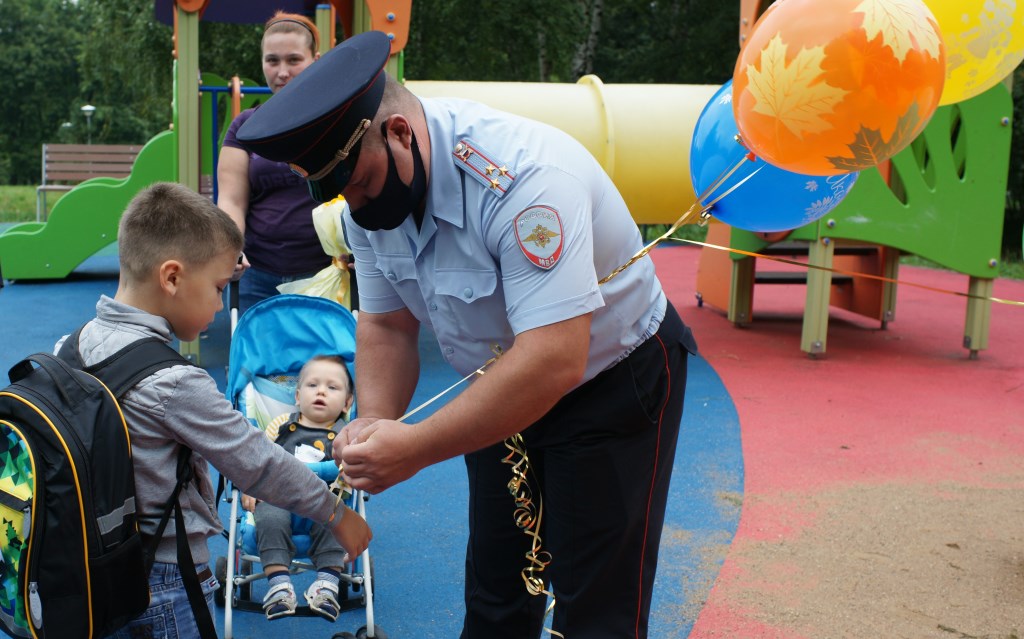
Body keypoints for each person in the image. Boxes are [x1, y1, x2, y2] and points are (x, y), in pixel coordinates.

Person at [235, 31, 698, 639]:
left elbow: (555, 359)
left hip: (608, 381)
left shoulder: (525, 184)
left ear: (399, 132)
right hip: (500, 384)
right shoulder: (365, 199)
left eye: (362, 183)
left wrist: (417, 445)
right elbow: (387, 324)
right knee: (496, 592)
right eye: (342, 192)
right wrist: (373, 425)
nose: (355, 203)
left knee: (595, 608)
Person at [59, 182, 371, 638]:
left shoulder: (73, 346)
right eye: (220, 287)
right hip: (163, 576)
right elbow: (257, 462)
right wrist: (335, 513)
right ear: (171, 278)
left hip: (89, 564)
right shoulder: (175, 382)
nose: (221, 303)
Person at [217, 11, 330, 312]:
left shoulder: (337, 122)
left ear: (315, 60)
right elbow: (231, 201)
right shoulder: (244, 127)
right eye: (272, 60)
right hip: (258, 273)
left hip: (327, 273)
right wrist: (229, 248)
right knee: (256, 360)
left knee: (323, 361)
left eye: (294, 60)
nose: (282, 71)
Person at [240, 354, 355, 622]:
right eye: (312, 385)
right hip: (280, 499)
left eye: (333, 387)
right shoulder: (280, 426)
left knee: (336, 520)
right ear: (297, 396)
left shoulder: (346, 435)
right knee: (267, 517)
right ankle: (280, 586)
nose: (321, 392)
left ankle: (325, 586)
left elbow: (348, 474)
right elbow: (259, 460)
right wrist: (250, 486)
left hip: (323, 501)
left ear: (348, 402)